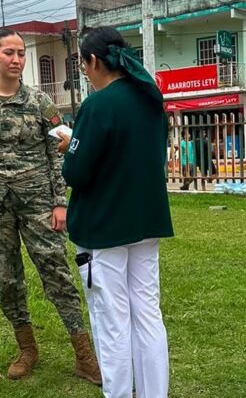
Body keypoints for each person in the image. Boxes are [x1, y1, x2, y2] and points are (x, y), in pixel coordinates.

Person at [0, 28, 101, 384]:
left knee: (57, 274)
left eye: (21, 53)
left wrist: (58, 202)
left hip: (39, 203)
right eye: (9, 52)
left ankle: (84, 355)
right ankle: (27, 348)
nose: (16, 59)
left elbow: (58, 154)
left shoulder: (40, 103)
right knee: (7, 280)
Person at [60, 26, 174, 398]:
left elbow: (76, 172)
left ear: (93, 62)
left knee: (112, 321)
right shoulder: (149, 98)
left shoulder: (98, 104)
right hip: (147, 220)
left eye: (82, 65)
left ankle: (120, 394)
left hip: (106, 226)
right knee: (147, 314)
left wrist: (69, 146)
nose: (85, 73)